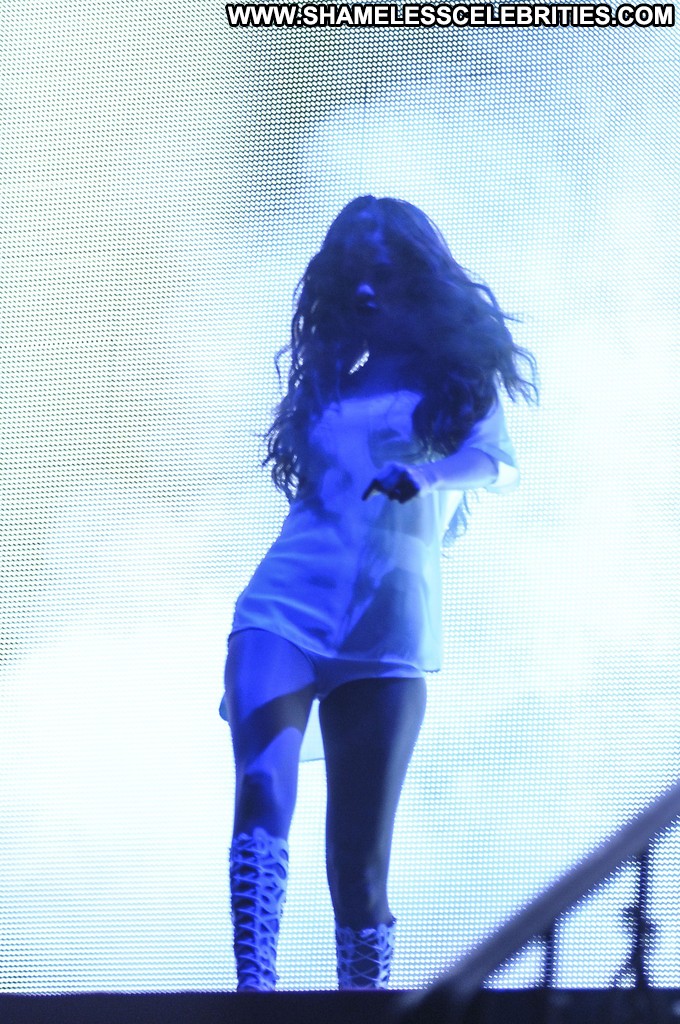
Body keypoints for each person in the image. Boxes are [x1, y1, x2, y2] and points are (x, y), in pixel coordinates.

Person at [220, 195, 538, 992]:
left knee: (357, 865)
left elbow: (496, 464)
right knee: (260, 784)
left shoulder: (455, 390)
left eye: (384, 275)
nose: (366, 292)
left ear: (416, 283)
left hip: (387, 626)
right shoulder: (330, 386)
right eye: (353, 276)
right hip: (284, 604)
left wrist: (428, 475)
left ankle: (360, 1007)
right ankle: (253, 989)